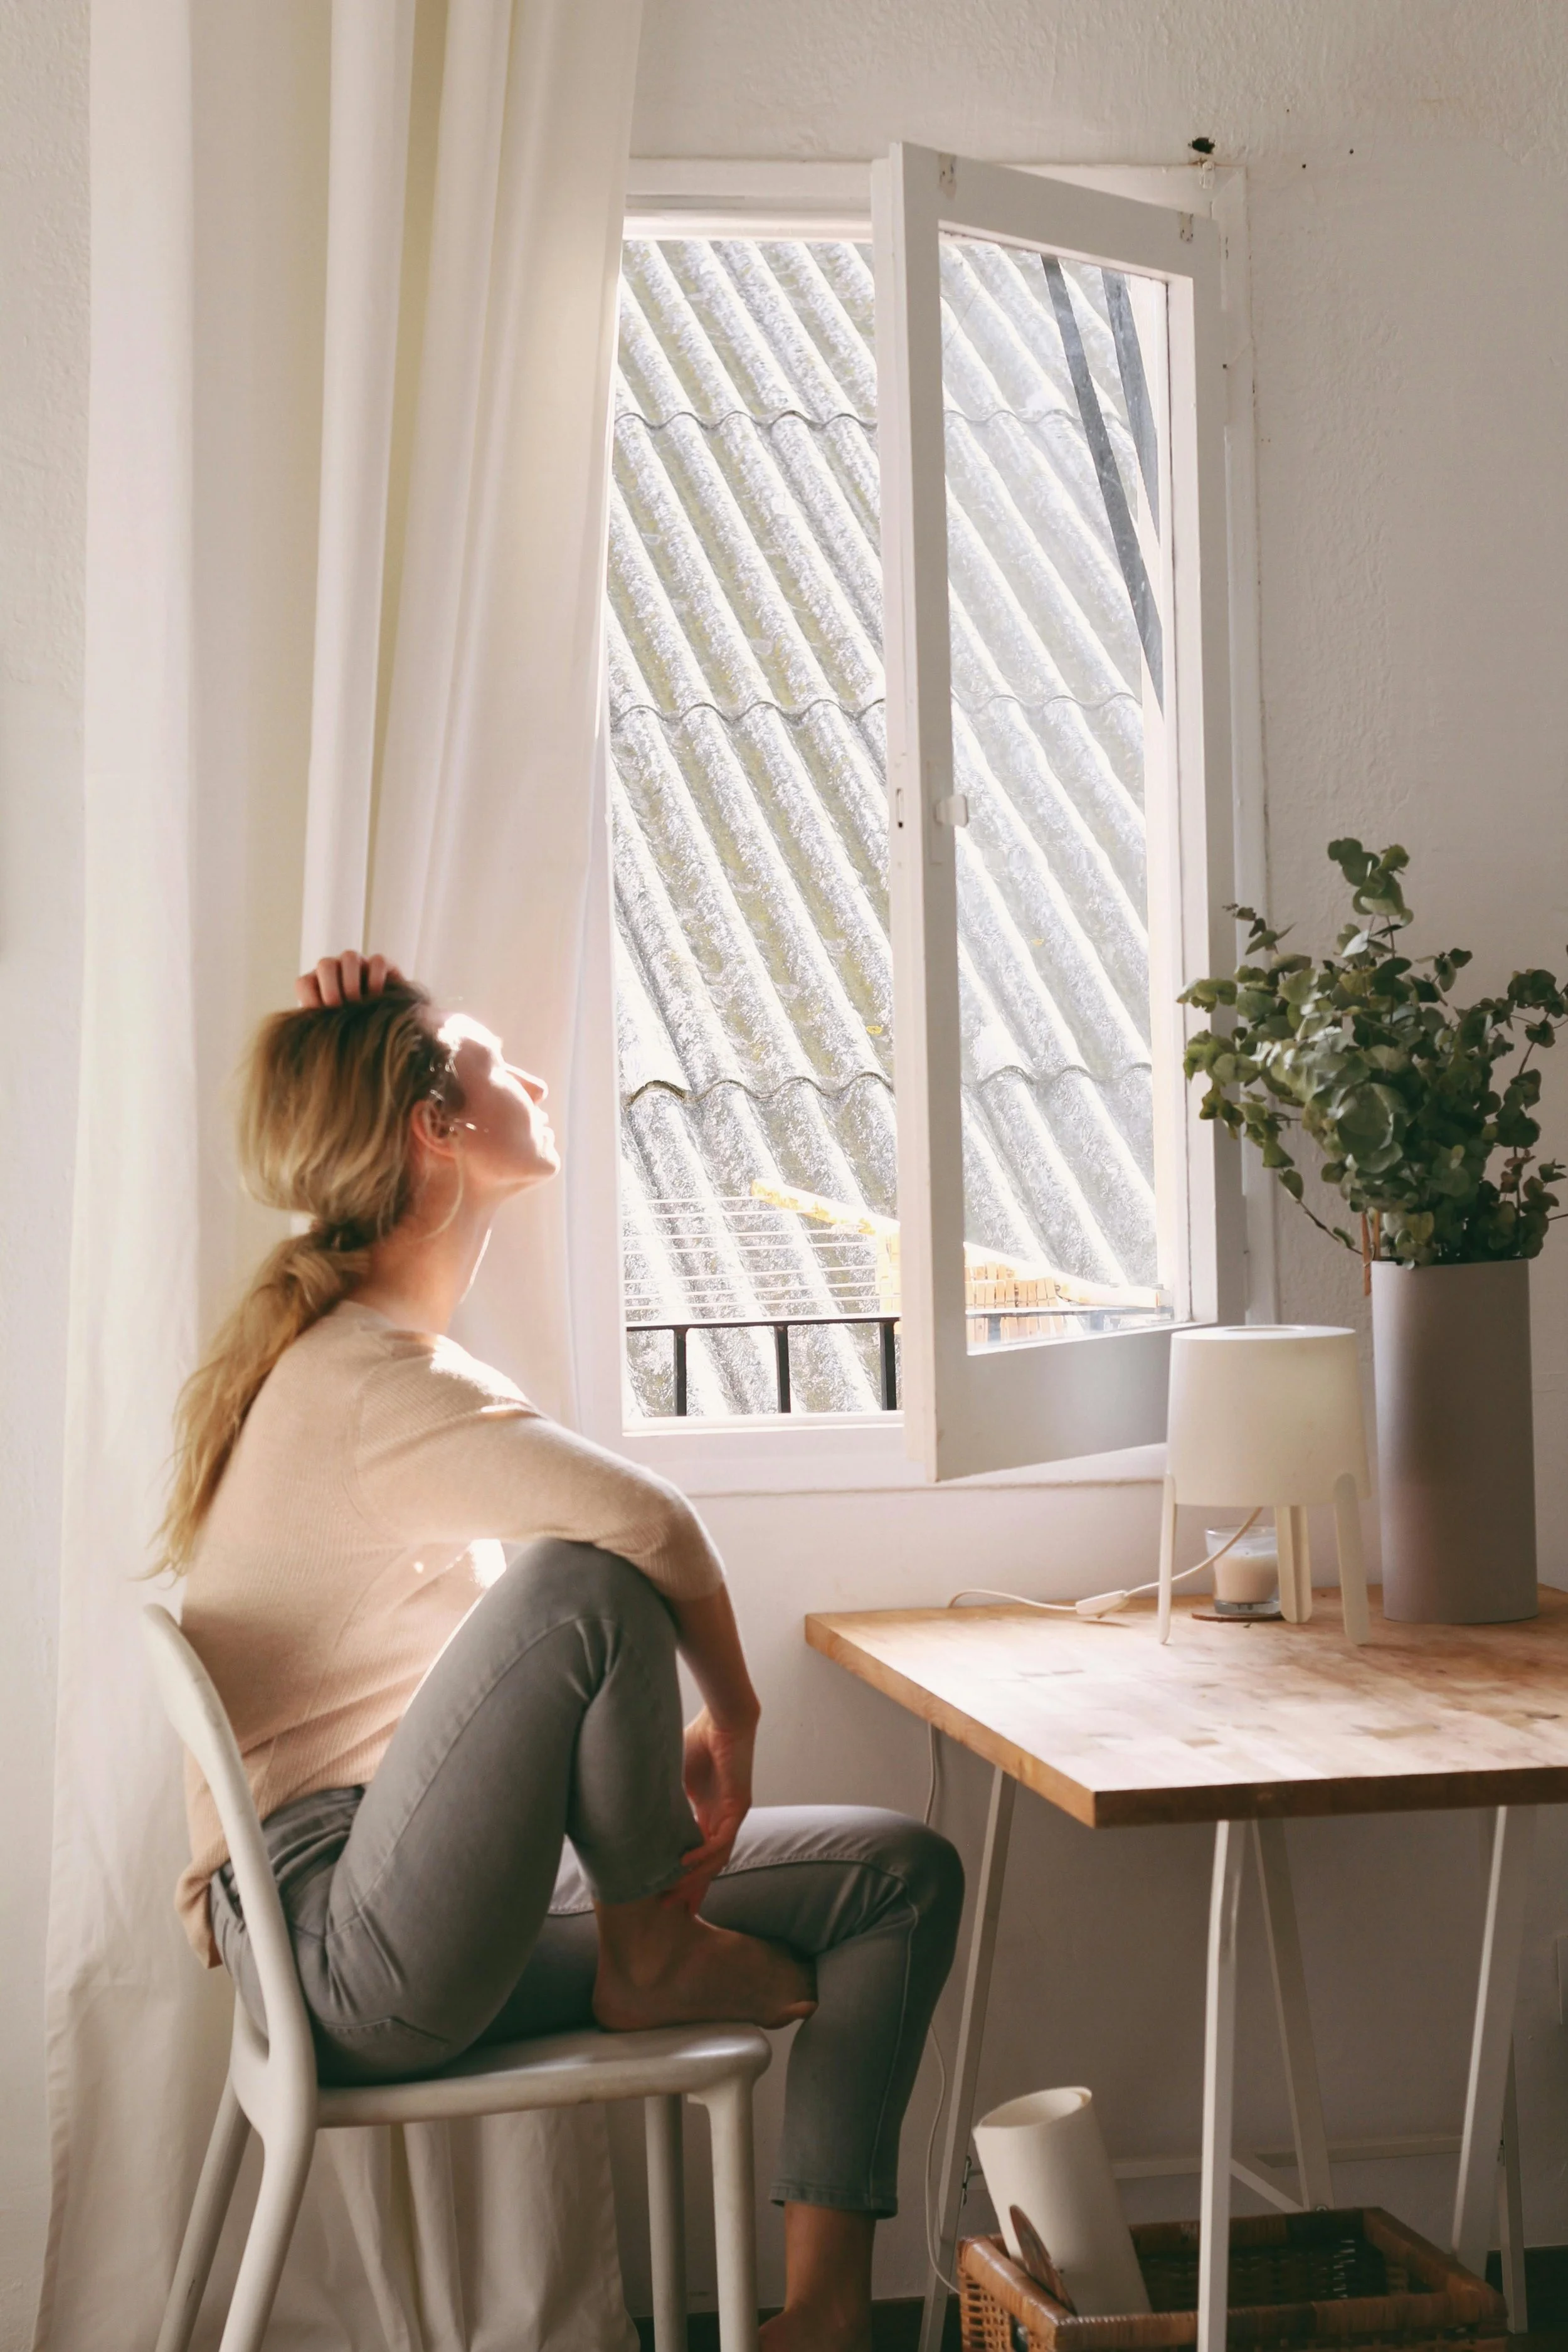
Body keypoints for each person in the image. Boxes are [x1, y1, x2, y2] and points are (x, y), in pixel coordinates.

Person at [164, 948, 963, 2352]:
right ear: (435, 1128)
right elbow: (644, 1524)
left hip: (405, 1911)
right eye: (485, 1059)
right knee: (583, 1581)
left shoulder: (384, 1361)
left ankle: (823, 2318)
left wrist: (397, 1000)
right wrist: (739, 1718)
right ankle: (648, 1945)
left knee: (895, 1879)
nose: (529, 1075)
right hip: (342, 1948)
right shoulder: (359, 1377)